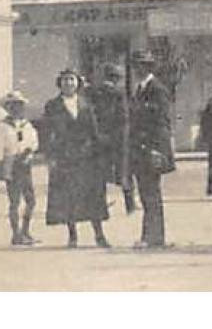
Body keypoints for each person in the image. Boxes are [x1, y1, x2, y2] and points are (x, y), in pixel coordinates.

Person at [40, 69, 111, 248]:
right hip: (65, 156)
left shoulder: (86, 104)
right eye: (65, 80)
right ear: (59, 83)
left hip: (87, 157)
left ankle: (99, 235)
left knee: (92, 195)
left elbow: (94, 130)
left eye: (72, 80)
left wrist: (99, 153)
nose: (69, 84)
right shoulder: (52, 105)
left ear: (78, 83)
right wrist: (50, 156)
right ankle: (73, 236)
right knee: (68, 196)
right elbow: (46, 132)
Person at [127, 50, 175, 249]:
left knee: (151, 193)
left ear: (148, 67)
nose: (138, 69)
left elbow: (162, 122)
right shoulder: (140, 89)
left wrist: (158, 150)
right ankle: (151, 235)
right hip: (140, 149)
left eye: (142, 65)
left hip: (151, 149)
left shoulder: (157, 89)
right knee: (147, 193)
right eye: (137, 65)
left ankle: (154, 237)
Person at [0, 90, 39, 246]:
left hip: (24, 163)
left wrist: (29, 153)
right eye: (12, 106)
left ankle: (26, 230)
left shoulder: (27, 125)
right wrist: (0, 163)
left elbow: (33, 142)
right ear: (7, 108)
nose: (16, 109)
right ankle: (16, 233)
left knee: (31, 200)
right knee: (14, 201)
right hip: (10, 164)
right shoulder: (2, 126)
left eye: (19, 105)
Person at [87, 63, 133, 214]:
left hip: (100, 136)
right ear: (117, 78)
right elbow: (124, 116)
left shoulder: (95, 92)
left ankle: (101, 203)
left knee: (101, 171)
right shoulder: (119, 93)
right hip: (118, 137)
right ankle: (129, 204)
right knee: (124, 171)